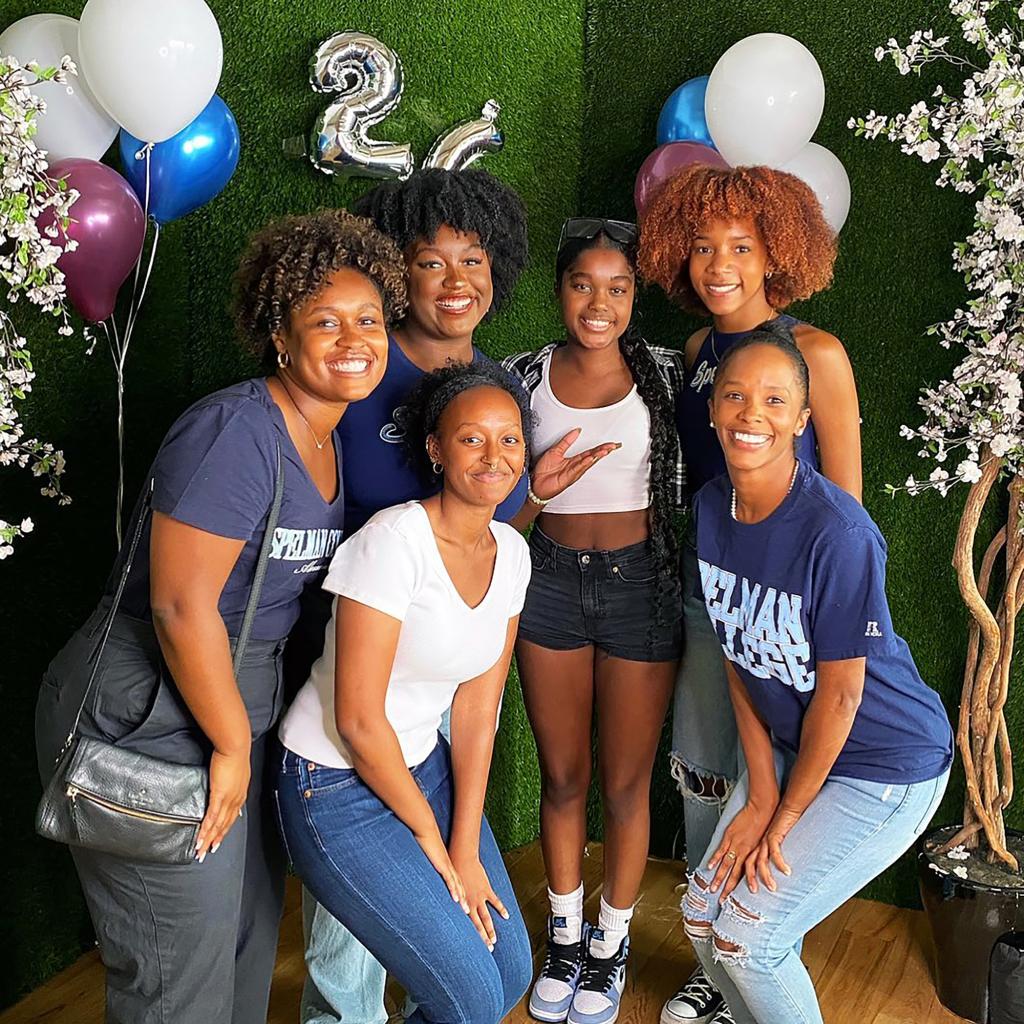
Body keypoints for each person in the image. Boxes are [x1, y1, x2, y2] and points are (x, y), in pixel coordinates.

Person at [33, 210, 407, 1023]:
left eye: (370, 319)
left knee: (240, 945)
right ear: (280, 333)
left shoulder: (328, 434)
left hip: (240, 701)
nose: (355, 338)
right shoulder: (235, 431)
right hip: (151, 708)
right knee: (177, 983)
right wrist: (232, 744)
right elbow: (178, 604)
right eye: (326, 321)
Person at [301, 168, 617, 1024]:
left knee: (457, 922)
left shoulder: (491, 379)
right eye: (431, 262)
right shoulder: (361, 363)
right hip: (354, 671)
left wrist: (535, 493)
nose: (456, 281)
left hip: (441, 675)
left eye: (473, 261)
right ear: (397, 271)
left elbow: (479, 518)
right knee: (354, 919)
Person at [638, 165, 862, 1024]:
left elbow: (847, 509)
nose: (718, 263)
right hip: (708, 602)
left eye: (740, 245)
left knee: (769, 785)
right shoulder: (697, 354)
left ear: (779, 252)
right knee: (703, 776)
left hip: (794, 621)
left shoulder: (820, 355)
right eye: (701, 246)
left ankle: (762, 945)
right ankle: (715, 962)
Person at [681, 322, 952, 1024]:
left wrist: (787, 814)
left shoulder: (839, 532)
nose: (752, 414)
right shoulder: (712, 508)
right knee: (701, 916)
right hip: (795, 753)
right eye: (736, 396)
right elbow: (739, 654)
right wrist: (762, 792)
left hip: (884, 763)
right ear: (712, 408)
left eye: (775, 401)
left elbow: (842, 694)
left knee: (749, 940)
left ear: (803, 420)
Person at [276, 362, 536, 1024]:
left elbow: (478, 711)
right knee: (470, 998)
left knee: (507, 976)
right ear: (435, 449)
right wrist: (434, 841)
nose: (493, 456)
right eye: (472, 438)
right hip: (331, 783)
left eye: (509, 439)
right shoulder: (393, 542)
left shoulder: (510, 552)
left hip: (426, 764)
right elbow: (358, 721)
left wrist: (467, 845)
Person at [503, 217, 685, 1024]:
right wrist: (536, 487)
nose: (599, 302)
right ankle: (566, 938)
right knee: (565, 774)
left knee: (625, 782)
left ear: (634, 296)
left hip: (641, 582)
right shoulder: (522, 376)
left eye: (617, 288)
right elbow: (493, 493)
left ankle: (611, 949)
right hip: (546, 580)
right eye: (584, 284)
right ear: (559, 290)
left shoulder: (668, 378)